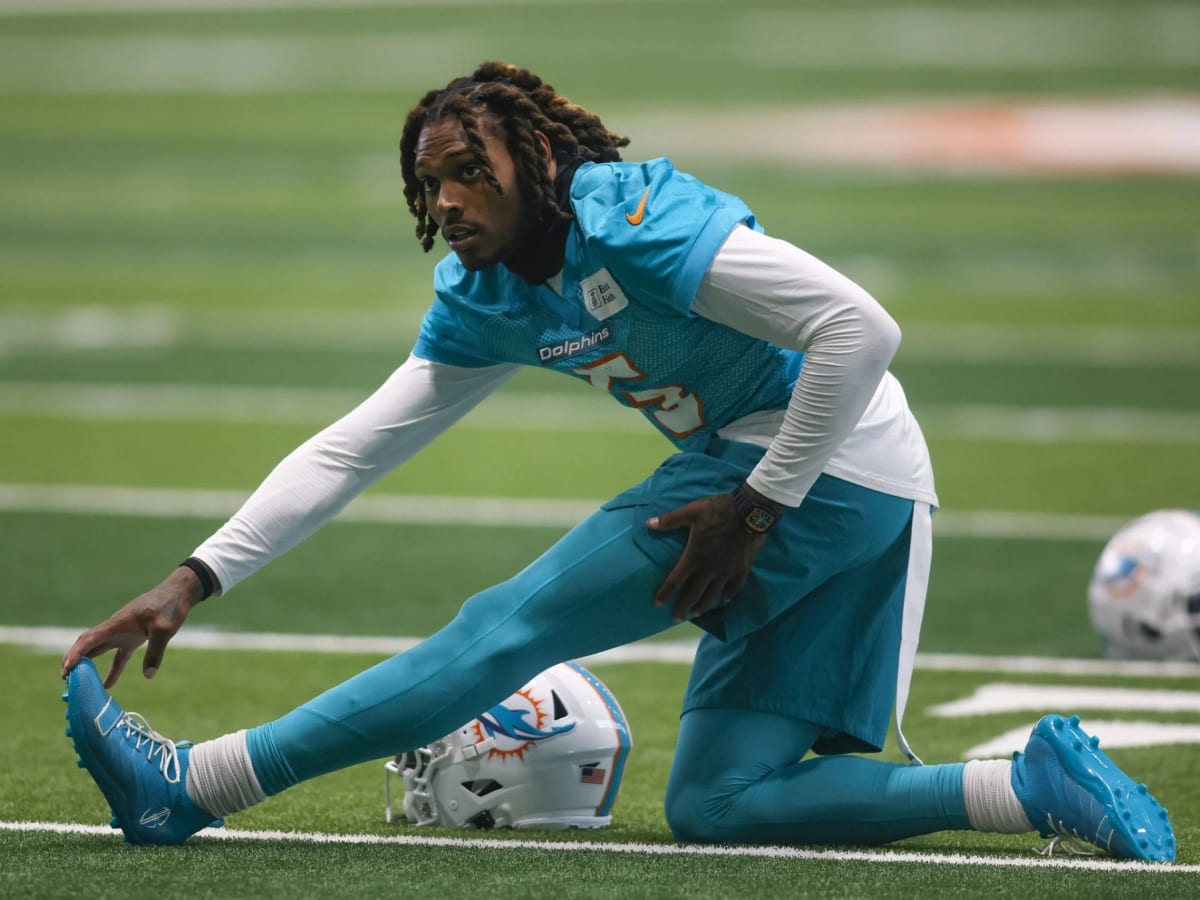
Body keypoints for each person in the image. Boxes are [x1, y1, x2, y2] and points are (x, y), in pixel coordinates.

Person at [61, 62, 1175, 861]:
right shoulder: (491, 291)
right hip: (846, 478)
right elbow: (358, 445)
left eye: (468, 170)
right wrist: (193, 578)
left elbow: (861, 332)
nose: (445, 200)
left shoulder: (633, 220)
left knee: (504, 626)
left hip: (815, 467)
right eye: (428, 181)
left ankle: (192, 786)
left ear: (536, 155)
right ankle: (1027, 785)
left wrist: (757, 504)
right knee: (723, 803)